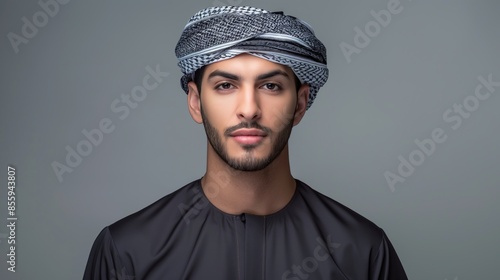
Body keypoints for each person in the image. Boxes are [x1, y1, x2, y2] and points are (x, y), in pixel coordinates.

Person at [83, 6, 408, 280]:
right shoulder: (127, 253)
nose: (249, 109)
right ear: (196, 102)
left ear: (299, 104)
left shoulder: (362, 251)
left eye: (270, 86)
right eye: (225, 85)